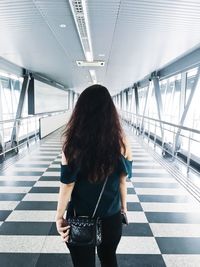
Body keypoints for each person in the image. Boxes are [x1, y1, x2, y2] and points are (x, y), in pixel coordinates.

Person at [55, 84, 133, 267]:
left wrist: (59, 216)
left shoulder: (72, 144)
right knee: (109, 259)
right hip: (111, 217)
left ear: (80, 111)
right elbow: (122, 180)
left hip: (80, 219)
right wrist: (124, 208)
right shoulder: (122, 142)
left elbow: (67, 185)